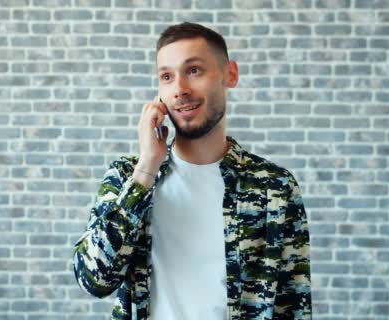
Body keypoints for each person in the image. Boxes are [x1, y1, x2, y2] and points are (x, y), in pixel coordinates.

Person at [72, 22, 312, 320]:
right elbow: (93, 280)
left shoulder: (275, 187)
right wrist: (147, 168)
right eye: (167, 76)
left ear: (230, 74)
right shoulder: (128, 177)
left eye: (194, 70)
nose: (180, 89)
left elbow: (293, 305)